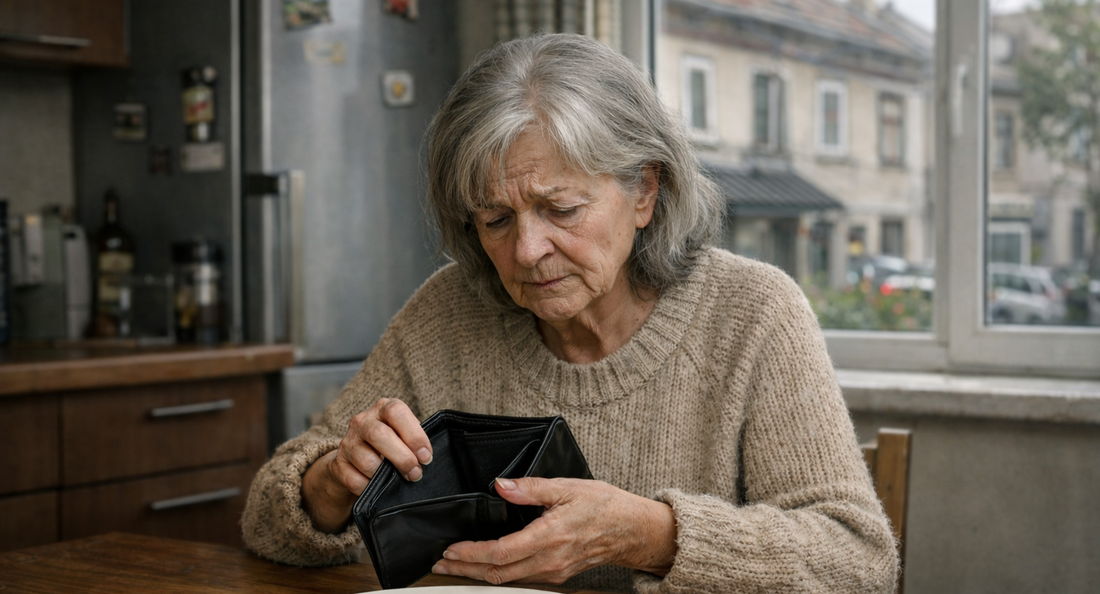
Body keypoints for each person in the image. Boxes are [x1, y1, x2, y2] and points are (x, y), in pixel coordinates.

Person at [242, 33, 898, 594]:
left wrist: (652, 536)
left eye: (561, 209)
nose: (527, 251)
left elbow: (860, 562)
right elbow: (265, 522)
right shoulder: (448, 314)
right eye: (496, 220)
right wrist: (329, 484)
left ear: (645, 190)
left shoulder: (753, 314)